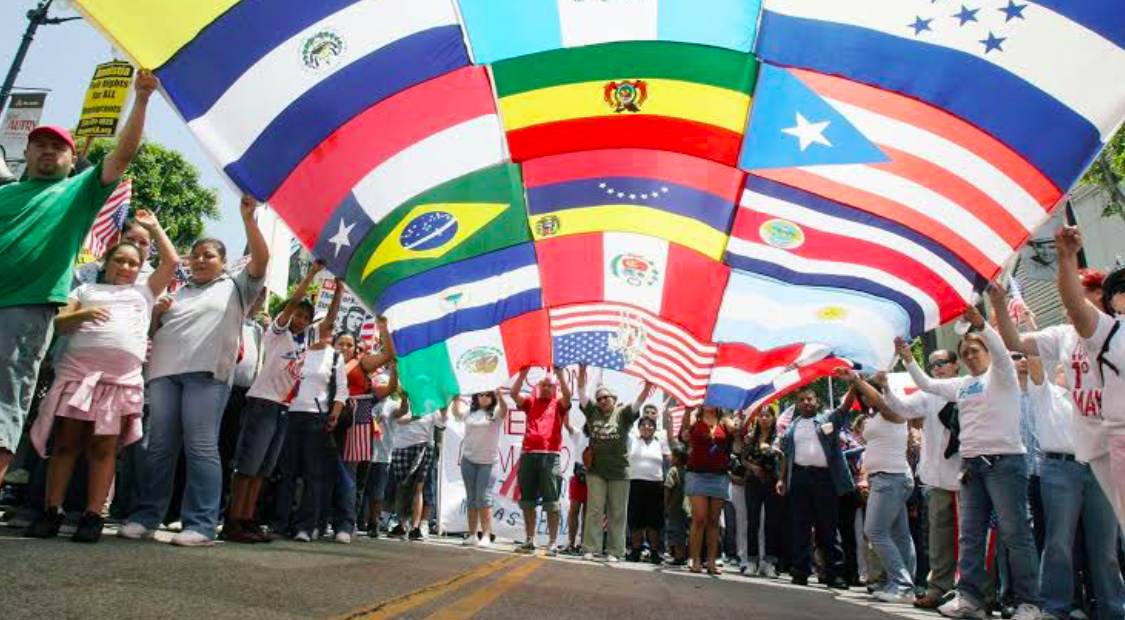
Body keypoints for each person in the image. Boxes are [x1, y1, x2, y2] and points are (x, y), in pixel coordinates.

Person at [0, 71, 158, 486]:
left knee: (2, 407)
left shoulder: (78, 192)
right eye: (40, 144)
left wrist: (140, 100)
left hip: (24, 308)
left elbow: (122, 156)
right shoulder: (3, 194)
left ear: (73, 161)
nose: (48, 151)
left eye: (58, 146)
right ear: (27, 152)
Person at [120, 194, 270, 547]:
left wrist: (249, 219)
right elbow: (153, 331)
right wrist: (158, 312)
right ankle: (145, 517)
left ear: (223, 262)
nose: (201, 260)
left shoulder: (237, 287)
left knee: (201, 447)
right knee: (158, 447)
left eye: (209, 256)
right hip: (163, 375)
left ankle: (201, 525)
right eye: (196, 255)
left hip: (207, 378)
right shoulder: (178, 292)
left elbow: (262, 260)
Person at [22, 210, 178, 542]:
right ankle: (52, 511)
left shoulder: (145, 292)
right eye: (119, 260)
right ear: (106, 262)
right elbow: (59, 324)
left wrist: (154, 228)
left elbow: (172, 262)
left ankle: (93, 515)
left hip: (118, 384)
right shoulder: (86, 289)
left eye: (133, 263)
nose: (126, 268)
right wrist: (84, 314)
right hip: (78, 377)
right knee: (66, 446)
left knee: (104, 449)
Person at [898, 301, 1042, 620]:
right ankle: (971, 599)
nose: (969, 355)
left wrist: (981, 326)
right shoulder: (961, 385)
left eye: (975, 350)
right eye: (964, 352)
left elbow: (1002, 352)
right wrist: (908, 358)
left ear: (988, 352)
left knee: (1015, 533)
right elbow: (926, 384)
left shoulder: (1001, 375)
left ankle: (1028, 603)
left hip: (1005, 464)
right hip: (972, 468)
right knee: (970, 535)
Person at [994, 262, 1124, 526]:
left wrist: (1065, 255)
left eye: (1071, 287)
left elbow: (1077, 308)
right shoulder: (1063, 335)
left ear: (1099, 293)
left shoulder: (1115, 328)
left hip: (1118, 432)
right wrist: (997, 303)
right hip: (1092, 444)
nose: (1063, 294)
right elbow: (1015, 342)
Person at [223, 265, 321, 543]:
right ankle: (233, 520)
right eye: (298, 315)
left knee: (264, 468)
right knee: (248, 465)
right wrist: (311, 275)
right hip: (262, 403)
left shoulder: (303, 347)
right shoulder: (278, 334)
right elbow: (291, 304)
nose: (300, 320)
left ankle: (248, 518)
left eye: (305, 317)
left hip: (282, 408)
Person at [883, 349, 964, 610]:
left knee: (971, 539)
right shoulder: (928, 394)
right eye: (932, 364)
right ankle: (939, 588)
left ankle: (977, 592)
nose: (937, 368)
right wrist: (885, 387)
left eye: (941, 363)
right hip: (938, 478)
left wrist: (908, 358)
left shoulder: (968, 388)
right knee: (939, 540)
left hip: (969, 476)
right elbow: (902, 408)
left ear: (955, 366)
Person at [839, 368, 917, 604]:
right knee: (900, 534)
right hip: (885, 478)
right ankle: (904, 584)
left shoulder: (895, 410)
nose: (865, 397)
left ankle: (902, 585)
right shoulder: (875, 416)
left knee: (874, 531)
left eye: (870, 390)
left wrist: (856, 380)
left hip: (891, 478)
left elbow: (881, 402)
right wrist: (856, 385)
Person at [776, 387, 858, 589]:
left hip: (825, 479)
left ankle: (834, 573)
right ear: (797, 404)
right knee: (801, 526)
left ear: (817, 402)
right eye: (801, 400)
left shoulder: (828, 419)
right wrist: (782, 479)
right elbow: (787, 454)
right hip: (800, 478)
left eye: (809, 399)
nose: (805, 402)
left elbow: (845, 407)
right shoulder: (792, 427)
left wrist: (855, 385)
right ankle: (801, 571)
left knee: (828, 528)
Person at [284, 300, 348, 543]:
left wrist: (334, 413)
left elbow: (342, 390)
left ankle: (306, 525)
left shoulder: (335, 358)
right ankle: (280, 522)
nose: (325, 331)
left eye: (329, 327)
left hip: (316, 417)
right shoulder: (299, 349)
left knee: (313, 475)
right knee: (287, 473)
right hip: (289, 414)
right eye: (320, 325)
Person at [577, 366, 653, 562]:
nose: (602, 400)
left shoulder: (623, 414)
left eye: (606, 397)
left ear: (614, 399)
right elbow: (581, 392)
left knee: (617, 512)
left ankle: (614, 551)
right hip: (596, 470)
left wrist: (647, 386)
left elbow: (639, 402)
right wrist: (582, 370)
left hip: (619, 471)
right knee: (594, 509)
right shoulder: (592, 411)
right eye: (599, 398)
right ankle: (590, 548)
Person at [510, 367, 571, 555]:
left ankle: (552, 543)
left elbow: (568, 397)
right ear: (538, 387)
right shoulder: (531, 401)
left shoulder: (558, 404)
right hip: (528, 455)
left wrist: (560, 375)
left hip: (550, 455)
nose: (546, 388)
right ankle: (530, 540)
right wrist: (522, 374)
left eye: (550, 386)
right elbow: (513, 394)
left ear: (554, 389)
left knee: (551, 501)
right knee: (527, 500)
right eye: (543, 385)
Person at [680, 405, 738, 575]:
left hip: (719, 476)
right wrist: (687, 410)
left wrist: (737, 423)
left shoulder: (724, 421)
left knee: (714, 521)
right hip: (696, 474)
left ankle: (712, 561)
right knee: (699, 518)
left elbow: (737, 434)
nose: (710, 403)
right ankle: (695, 559)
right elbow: (684, 434)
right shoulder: (694, 420)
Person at [450, 388, 509, 547]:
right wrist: (456, 399)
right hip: (468, 460)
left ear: (492, 397)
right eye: (480, 394)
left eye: (487, 395)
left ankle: (486, 535)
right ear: (476, 396)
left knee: (483, 498)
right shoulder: (470, 411)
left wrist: (500, 396)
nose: (483, 398)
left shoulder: (495, 413)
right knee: (471, 498)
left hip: (488, 462)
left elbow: (505, 410)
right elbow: (456, 414)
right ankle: (471, 535)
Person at [389, 395, 446, 541]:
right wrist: (413, 415)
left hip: (423, 446)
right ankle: (402, 524)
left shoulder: (431, 405)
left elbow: (441, 425)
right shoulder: (402, 402)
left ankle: (415, 527)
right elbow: (398, 419)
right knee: (403, 485)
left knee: (418, 487)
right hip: (402, 447)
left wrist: (444, 410)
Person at [742, 404, 783, 578]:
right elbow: (742, 459)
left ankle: (769, 563)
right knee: (752, 521)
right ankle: (752, 560)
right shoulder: (751, 438)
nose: (764, 418)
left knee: (771, 522)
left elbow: (784, 458)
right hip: (753, 482)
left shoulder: (779, 437)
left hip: (772, 481)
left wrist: (781, 478)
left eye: (768, 415)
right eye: (762, 415)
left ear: (773, 418)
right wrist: (752, 466)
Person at [628, 415, 669, 563]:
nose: (647, 427)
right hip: (635, 484)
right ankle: (635, 551)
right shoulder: (632, 441)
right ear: (638, 428)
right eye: (643, 424)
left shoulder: (660, 443)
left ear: (655, 428)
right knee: (636, 520)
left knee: (654, 522)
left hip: (655, 485)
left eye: (650, 425)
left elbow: (670, 458)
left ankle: (654, 552)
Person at [664, 443, 689, 566]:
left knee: (676, 531)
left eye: (672, 456)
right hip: (688, 507)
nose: (670, 458)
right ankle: (685, 556)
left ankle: (679, 556)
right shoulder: (688, 471)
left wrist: (665, 505)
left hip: (675, 507)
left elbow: (668, 488)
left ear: (677, 458)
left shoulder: (673, 471)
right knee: (685, 531)